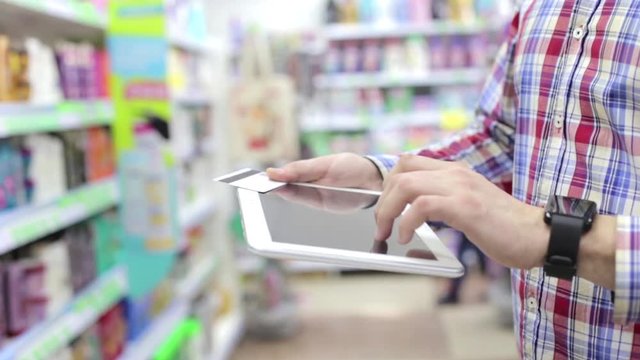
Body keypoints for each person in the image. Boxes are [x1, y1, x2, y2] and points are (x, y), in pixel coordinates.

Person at [267, 1, 640, 358]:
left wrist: (555, 237)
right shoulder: (538, 7)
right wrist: (380, 175)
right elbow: (501, 137)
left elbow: (539, 224)